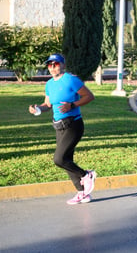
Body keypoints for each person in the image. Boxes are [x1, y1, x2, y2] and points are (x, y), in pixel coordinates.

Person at [28, 53, 96, 205]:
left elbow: (90, 96)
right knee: (67, 160)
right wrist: (37, 108)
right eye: (50, 65)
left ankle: (86, 175)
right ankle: (82, 193)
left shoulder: (71, 79)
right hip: (59, 126)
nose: (52, 67)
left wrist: (72, 105)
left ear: (63, 65)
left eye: (56, 64)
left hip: (73, 124)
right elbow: (48, 105)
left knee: (59, 159)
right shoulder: (49, 84)